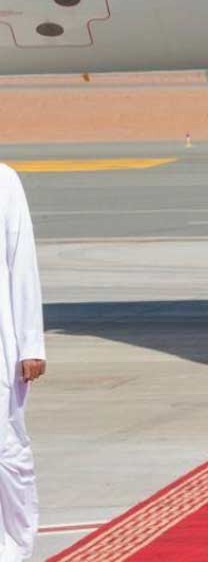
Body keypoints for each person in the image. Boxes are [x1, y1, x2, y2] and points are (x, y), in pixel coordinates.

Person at [0, 164, 46, 562]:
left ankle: (16, 545)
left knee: (7, 449)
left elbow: (22, 264)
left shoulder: (5, 182)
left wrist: (31, 343)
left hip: (2, 344)